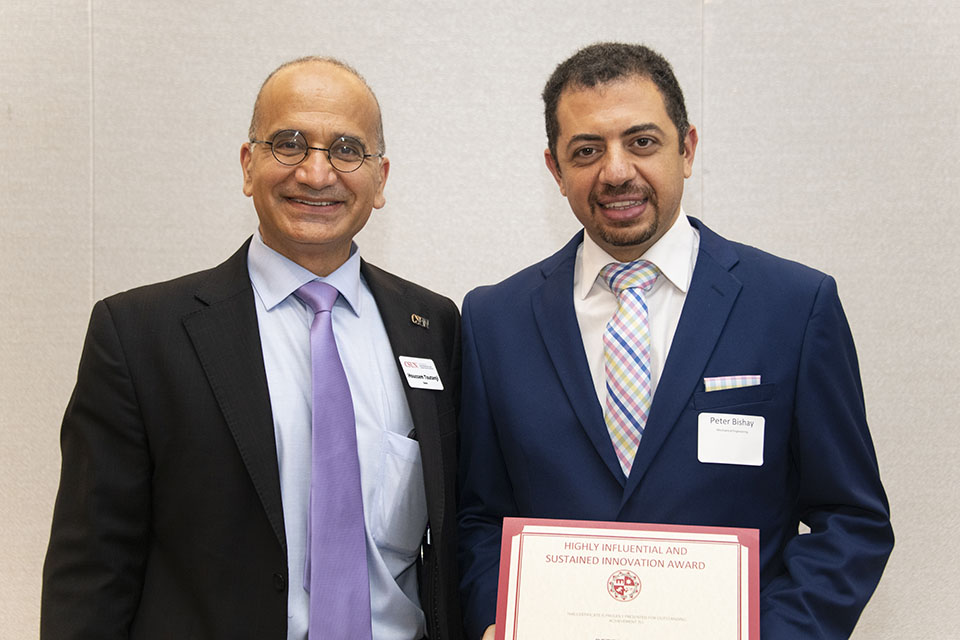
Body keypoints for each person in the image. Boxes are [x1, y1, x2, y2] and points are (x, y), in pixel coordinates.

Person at [457, 42, 892, 639]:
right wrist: (496, 618)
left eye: (642, 142)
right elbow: (476, 517)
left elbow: (852, 520)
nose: (615, 172)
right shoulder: (492, 320)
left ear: (686, 149)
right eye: (586, 151)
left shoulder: (793, 306)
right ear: (555, 171)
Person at [41, 56, 462, 640]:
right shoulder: (139, 334)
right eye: (288, 143)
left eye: (346, 149)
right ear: (248, 164)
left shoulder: (433, 326)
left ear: (381, 178)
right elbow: (91, 570)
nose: (317, 174)